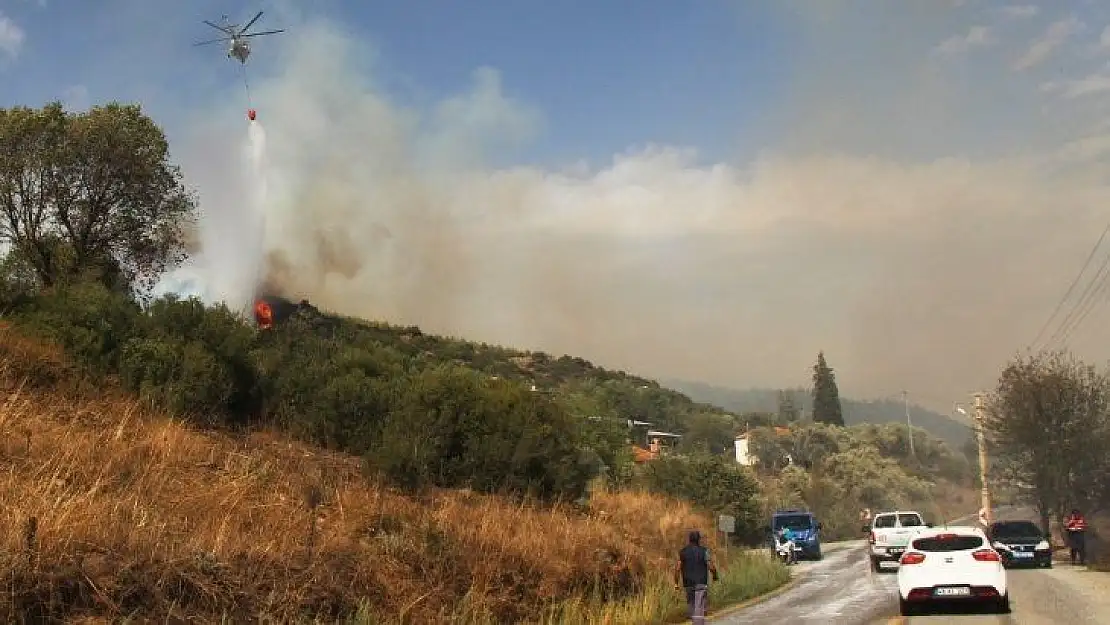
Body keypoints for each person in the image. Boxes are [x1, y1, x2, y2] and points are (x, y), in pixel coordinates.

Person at [674, 530, 719, 624]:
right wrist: (715, 576)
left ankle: (695, 621)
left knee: (692, 606)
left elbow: (677, 568)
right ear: (699, 539)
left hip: (688, 584)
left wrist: (676, 583)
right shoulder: (704, 551)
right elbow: (711, 566)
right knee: (699, 608)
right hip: (701, 583)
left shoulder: (682, 552)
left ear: (689, 540)